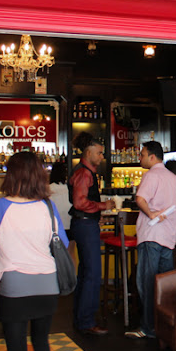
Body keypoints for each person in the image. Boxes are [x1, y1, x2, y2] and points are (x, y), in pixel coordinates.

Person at [0, 150, 67, 351]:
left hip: (14, 286)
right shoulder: (48, 207)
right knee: (42, 343)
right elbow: (62, 242)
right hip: (47, 284)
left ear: (11, 175)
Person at [125, 141, 176, 339]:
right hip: (169, 236)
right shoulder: (172, 177)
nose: (140, 158)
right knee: (165, 284)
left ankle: (148, 328)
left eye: (142, 154)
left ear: (152, 157)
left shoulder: (151, 175)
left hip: (152, 235)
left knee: (147, 283)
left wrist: (151, 214)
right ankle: (165, 326)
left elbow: (140, 199)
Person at [68, 132, 114, 335]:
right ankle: (86, 321)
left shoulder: (84, 171)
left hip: (84, 223)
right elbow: (80, 202)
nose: (102, 156)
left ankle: (81, 318)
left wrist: (95, 213)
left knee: (86, 272)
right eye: (99, 153)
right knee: (93, 273)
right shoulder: (84, 173)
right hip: (85, 226)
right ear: (88, 153)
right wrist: (103, 206)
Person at [49, 160, 74, 256]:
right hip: (70, 224)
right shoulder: (70, 189)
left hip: (55, 227)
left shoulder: (48, 190)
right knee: (71, 254)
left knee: (56, 255)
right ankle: (71, 267)